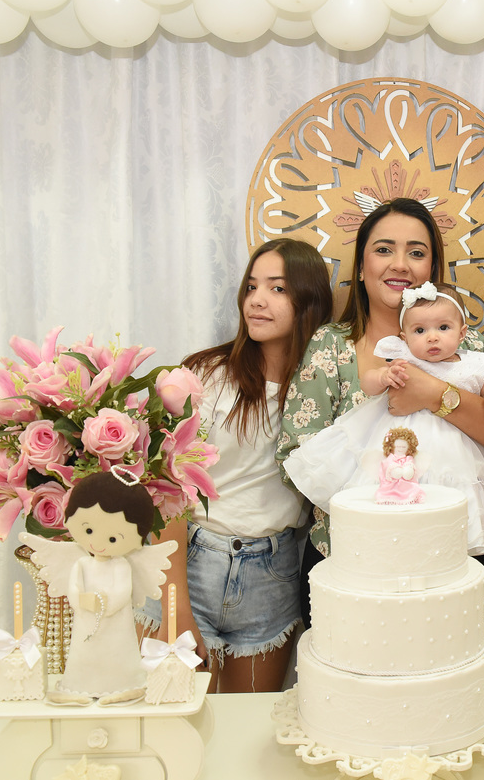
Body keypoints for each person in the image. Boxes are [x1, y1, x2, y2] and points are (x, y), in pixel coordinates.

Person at [277, 198, 484, 620]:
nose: (400, 264)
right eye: (383, 249)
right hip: (353, 563)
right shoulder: (331, 346)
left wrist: (433, 393)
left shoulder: (466, 345)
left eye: (416, 252)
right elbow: (295, 458)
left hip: (453, 557)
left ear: (432, 270)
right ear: (361, 268)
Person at [139, 238, 333, 693]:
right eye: (252, 287)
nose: (257, 300)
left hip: (274, 572)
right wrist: (176, 604)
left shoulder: (322, 388)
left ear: (309, 301)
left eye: (278, 289)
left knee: (250, 726)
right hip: (190, 561)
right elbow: (167, 488)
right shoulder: (206, 374)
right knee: (175, 718)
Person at [282, 280, 484, 554]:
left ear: (462, 333)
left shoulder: (474, 364)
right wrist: (383, 377)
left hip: (452, 452)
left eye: (443, 328)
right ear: (404, 338)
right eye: (419, 330)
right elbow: (368, 383)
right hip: (400, 447)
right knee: (385, 491)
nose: (432, 337)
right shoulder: (404, 359)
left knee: (445, 501)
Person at [21, 468, 175, 705]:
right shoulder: (82, 563)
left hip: (116, 624)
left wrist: (103, 602)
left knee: (116, 654)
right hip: (86, 622)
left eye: (113, 539)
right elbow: (74, 589)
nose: (99, 543)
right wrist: (81, 599)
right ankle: (79, 687)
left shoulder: (121, 565)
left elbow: (123, 593)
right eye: (89, 530)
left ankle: (125, 685)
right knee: (85, 653)